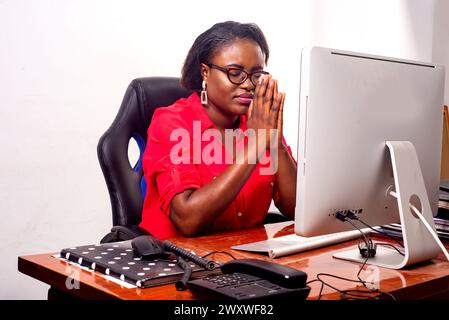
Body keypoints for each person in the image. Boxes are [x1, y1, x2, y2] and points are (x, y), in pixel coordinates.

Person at [139, 21, 297, 239]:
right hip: (177, 263)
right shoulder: (171, 123)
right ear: (205, 72)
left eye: (256, 75)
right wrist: (255, 145)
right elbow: (188, 220)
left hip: (245, 259)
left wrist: (275, 144)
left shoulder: (259, 122)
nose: (249, 84)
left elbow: (296, 209)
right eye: (235, 72)